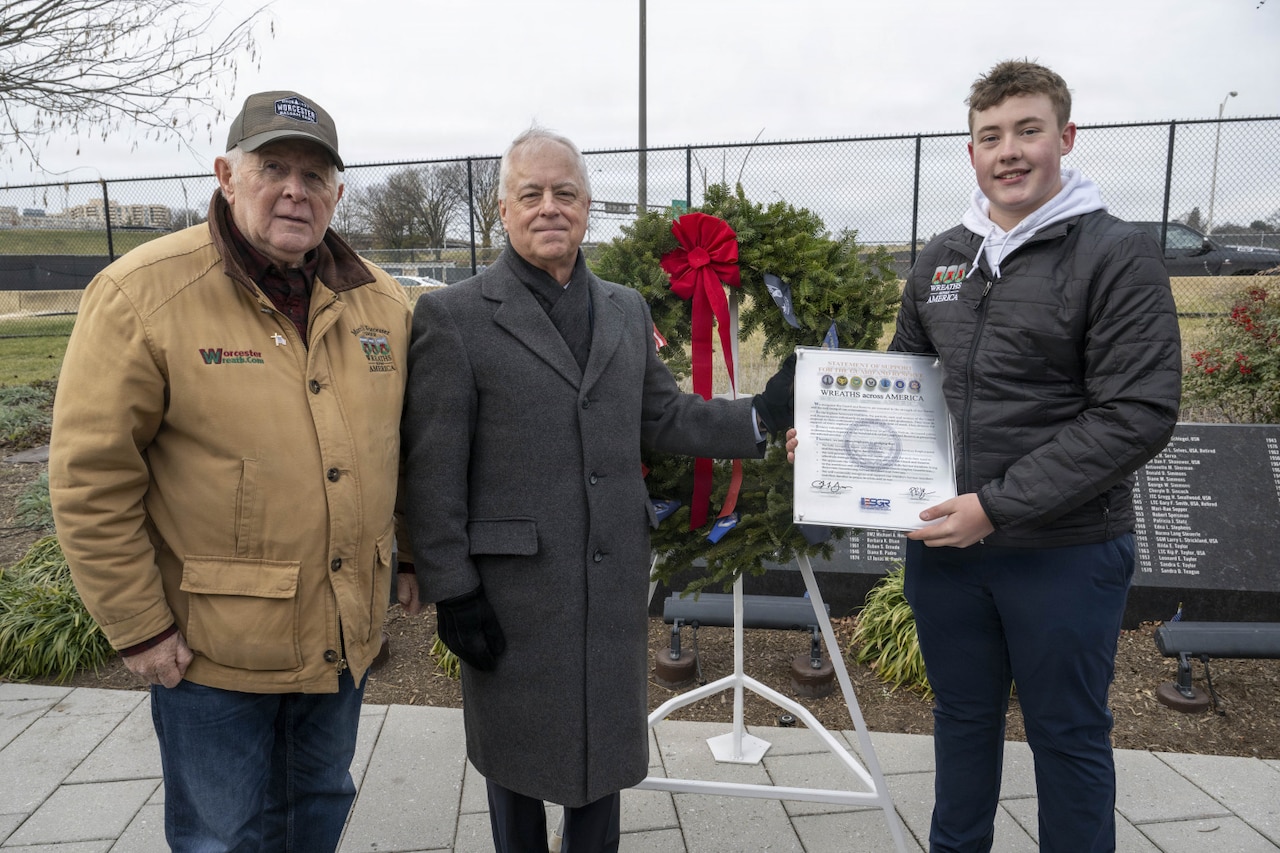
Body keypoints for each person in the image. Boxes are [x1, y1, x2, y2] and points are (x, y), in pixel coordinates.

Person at [398, 126, 794, 853]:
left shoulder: (623, 308)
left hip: (610, 579)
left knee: (603, 767)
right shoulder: (453, 318)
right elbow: (433, 466)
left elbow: (663, 414)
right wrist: (451, 588)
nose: (551, 207)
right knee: (515, 769)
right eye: (532, 193)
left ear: (586, 207)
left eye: (566, 192)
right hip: (511, 591)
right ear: (503, 209)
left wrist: (761, 416)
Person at [49, 90, 412, 852]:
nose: (294, 189)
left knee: (319, 808)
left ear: (337, 194)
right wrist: (141, 627)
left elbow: (404, 447)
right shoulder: (143, 294)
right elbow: (91, 479)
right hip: (214, 655)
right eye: (272, 165)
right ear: (225, 173)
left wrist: (409, 553)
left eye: (315, 175)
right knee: (224, 834)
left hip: (340, 640)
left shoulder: (381, 305)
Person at [865, 60, 1181, 852]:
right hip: (948, 550)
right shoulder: (942, 255)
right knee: (961, 724)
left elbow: (1136, 414)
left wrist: (995, 507)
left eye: (1028, 131)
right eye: (990, 136)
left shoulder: (1116, 254)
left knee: (1068, 736)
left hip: (1064, 552)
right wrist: (839, 440)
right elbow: (907, 387)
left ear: (1064, 138)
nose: (1008, 151)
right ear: (970, 152)